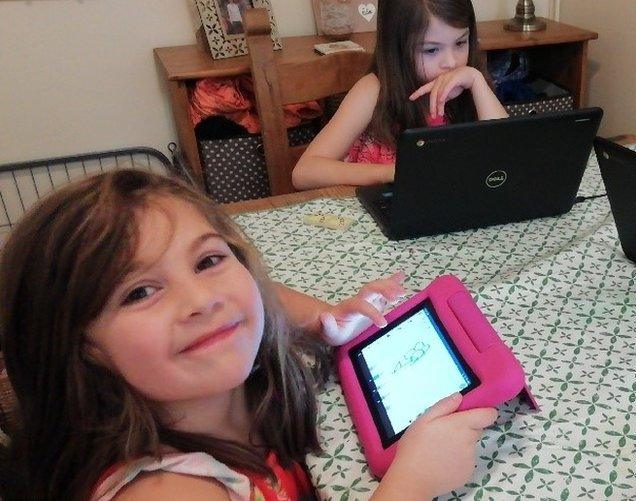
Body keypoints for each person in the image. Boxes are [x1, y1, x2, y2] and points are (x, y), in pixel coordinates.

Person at [0, 169, 498, 499]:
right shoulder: (166, 491)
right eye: (139, 292)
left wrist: (324, 319)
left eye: (208, 260)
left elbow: (257, 289)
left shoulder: (221, 388)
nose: (203, 300)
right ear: (82, 347)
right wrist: (409, 485)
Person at [292, 0, 508, 189]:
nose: (452, 62)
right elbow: (305, 172)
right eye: (431, 50)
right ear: (398, 47)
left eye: (460, 42)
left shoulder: (470, 85)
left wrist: (476, 81)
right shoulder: (374, 90)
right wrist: (394, 172)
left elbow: (510, 156)